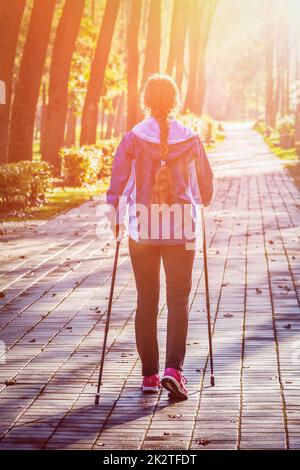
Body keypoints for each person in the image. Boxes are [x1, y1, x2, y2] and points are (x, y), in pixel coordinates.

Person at [106, 74, 213, 400]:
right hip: (182, 230)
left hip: (142, 230)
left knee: (146, 301)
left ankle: (150, 376)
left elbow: (117, 187)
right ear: (175, 100)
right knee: (178, 300)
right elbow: (205, 192)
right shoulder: (192, 139)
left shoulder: (133, 138)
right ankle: (174, 371)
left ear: (146, 100)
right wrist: (197, 199)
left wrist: (116, 220)